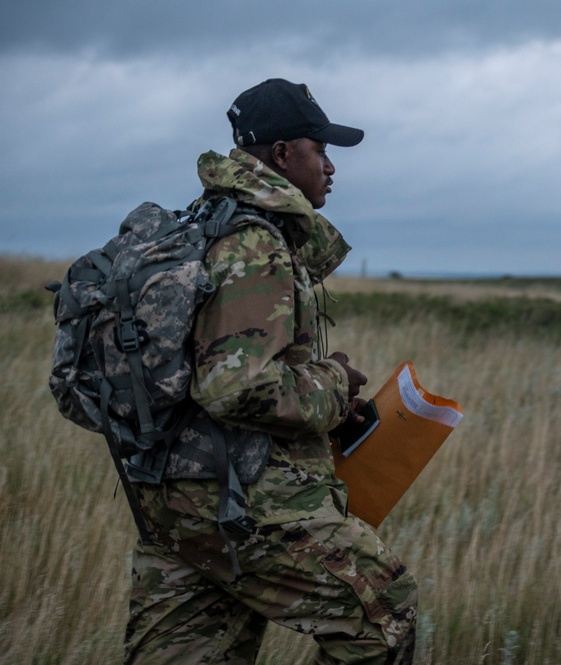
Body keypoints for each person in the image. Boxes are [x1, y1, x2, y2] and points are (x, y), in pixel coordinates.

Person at [124, 78, 418, 664]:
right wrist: (333, 385)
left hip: (173, 495)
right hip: (239, 502)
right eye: (320, 149)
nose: (331, 167)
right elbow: (235, 386)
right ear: (282, 155)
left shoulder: (203, 226)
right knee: (383, 614)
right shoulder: (254, 242)